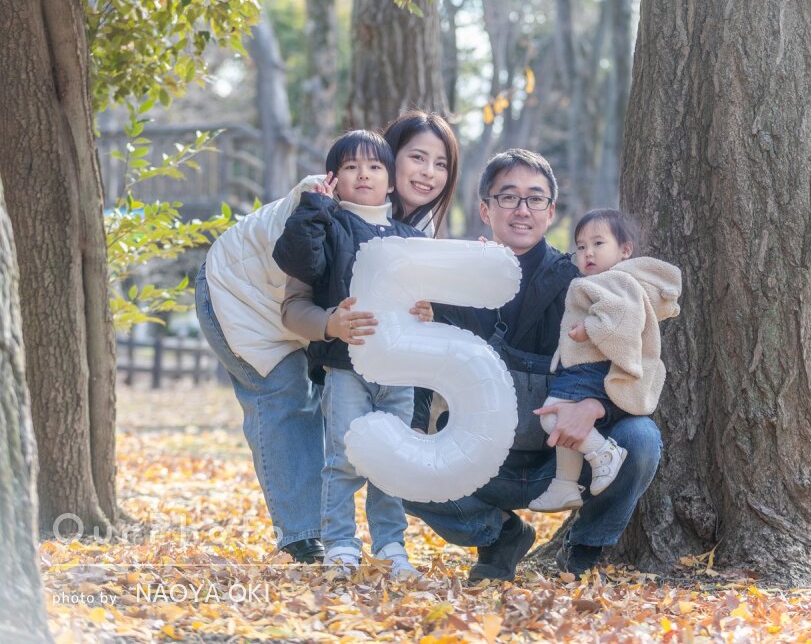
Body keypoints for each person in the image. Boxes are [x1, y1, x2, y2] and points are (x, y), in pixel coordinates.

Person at [194, 110, 459, 564]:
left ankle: (369, 538)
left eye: (440, 164)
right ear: (386, 156)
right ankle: (306, 538)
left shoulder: (413, 229)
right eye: (417, 157)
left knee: (337, 405)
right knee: (285, 397)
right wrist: (329, 324)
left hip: (320, 321)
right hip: (241, 296)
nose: (428, 173)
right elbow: (296, 295)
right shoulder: (322, 197)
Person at [403, 149, 664, 580]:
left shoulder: (583, 283)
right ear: (485, 209)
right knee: (393, 458)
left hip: (565, 460)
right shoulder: (453, 284)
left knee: (641, 439)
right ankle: (498, 537)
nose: (522, 210)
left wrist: (597, 407)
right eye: (508, 197)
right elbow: (421, 362)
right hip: (482, 461)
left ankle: (583, 551)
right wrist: (412, 423)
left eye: (535, 199)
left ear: (551, 211)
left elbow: (634, 361)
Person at [272, 130, 431, 578]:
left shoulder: (407, 237)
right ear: (333, 179)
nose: (363, 174)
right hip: (345, 368)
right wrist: (315, 206)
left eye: (375, 166)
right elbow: (299, 262)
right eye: (350, 167)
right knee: (342, 458)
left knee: (393, 459)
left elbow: (424, 296)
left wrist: (427, 309)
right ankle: (341, 544)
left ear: (392, 182)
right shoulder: (328, 224)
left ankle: (391, 545)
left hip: (398, 371)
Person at [528, 209, 681, 513]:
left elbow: (624, 317)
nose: (588, 253)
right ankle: (565, 484)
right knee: (564, 423)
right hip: (582, 368)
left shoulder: (616, 281)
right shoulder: (610, 280)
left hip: (590, 371)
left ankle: (602, 454)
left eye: (598, 244)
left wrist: (589, 328)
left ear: (625, 250)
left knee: (552, 417)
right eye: (581, 246)